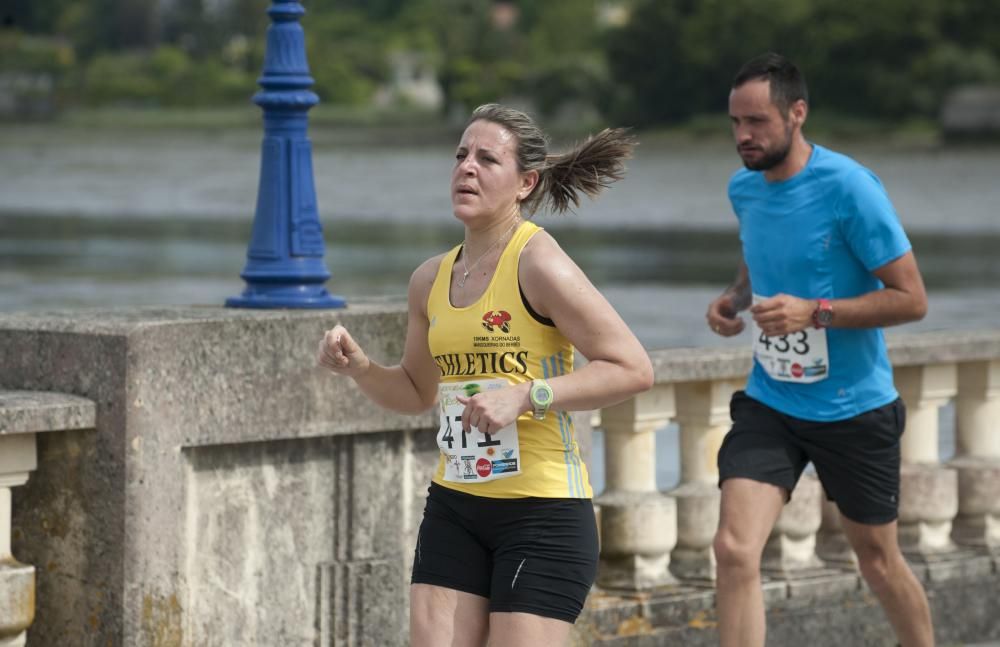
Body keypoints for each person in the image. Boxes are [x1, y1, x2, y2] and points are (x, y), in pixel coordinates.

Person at [317, 103, 653, 647]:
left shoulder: (540, 263)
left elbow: (634, 369)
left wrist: (527, 395)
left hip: (542, 513)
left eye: (486, 159)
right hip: (456, 505)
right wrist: (359, 367)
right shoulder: (429, 279)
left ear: (525, 183)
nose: (466, 168)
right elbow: (414, 391)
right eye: (460, 155)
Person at [706, 53, 933, 647]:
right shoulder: (744, 188)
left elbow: (912, 299)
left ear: (797, 113)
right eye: (734, 123)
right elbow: (760, 253)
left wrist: (815, 312)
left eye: (755, 122)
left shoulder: (849, 188)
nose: (743, 137)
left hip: (853, 409)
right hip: (772, 402)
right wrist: (734, 296)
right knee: (733, 550)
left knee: (879, 563)